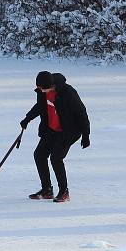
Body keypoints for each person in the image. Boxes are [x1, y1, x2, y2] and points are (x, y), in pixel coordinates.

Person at [20, 71, 90, 203]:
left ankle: (64, 192)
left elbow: (81, 113)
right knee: (39, 155)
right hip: (51, 129)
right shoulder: (43, 92)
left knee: (56, 158)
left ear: (50, 85)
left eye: (41, 87)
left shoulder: (68, 92)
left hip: (68, 131)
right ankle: (47, 190)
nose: (39, 90)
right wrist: (27, 119)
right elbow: (39, 107)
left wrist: (86, 135)